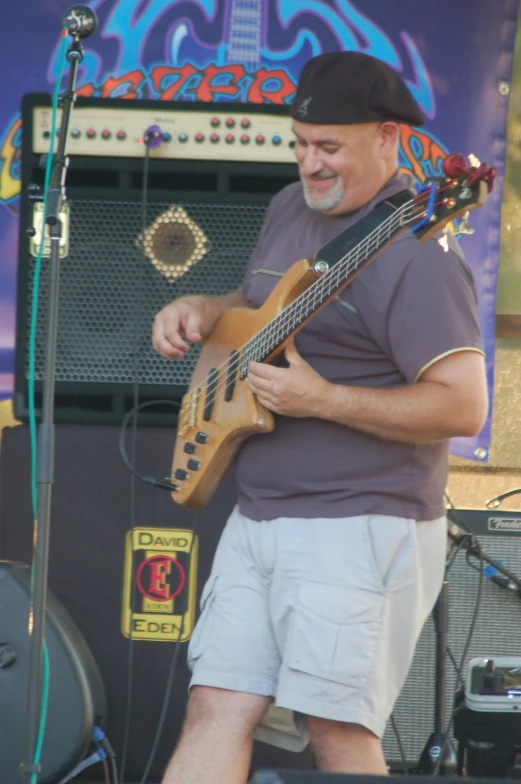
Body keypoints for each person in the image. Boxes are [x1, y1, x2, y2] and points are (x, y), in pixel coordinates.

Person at [152, 51, 488, 784]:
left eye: (328, 147)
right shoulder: (287, 209)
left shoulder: (418, 257)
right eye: (300, 144)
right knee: (215, 703)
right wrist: (200, 311)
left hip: (357, 525)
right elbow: (252, 310)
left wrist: (322, 399)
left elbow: (463, 406)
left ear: (388, 139)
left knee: (336, 729)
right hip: (260, 516)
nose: (309, 164)